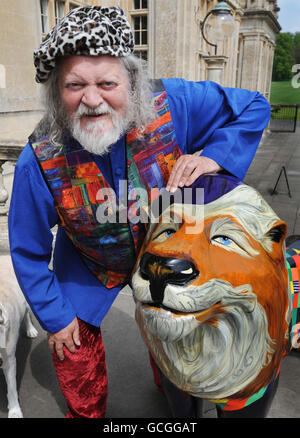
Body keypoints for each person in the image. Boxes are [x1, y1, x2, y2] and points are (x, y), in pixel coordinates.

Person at [8, 6, 271, 418]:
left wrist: (215, 157)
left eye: (107, 82)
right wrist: (55, 317)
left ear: (131, 81)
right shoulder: (38, 158)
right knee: (74, 357)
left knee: (174, 342)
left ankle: (174, 399)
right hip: (89, 264)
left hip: (161, 254)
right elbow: (26, 248)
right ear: (57, 90)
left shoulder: (174, 103)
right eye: (74, 84)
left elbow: (253, 105)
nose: (91, 100)